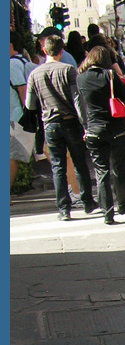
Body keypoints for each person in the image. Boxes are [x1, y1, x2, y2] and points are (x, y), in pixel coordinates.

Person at [24, 34, 96, 221]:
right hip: (70, 121)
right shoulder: (69, 70)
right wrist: (84, 123)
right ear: (61, 50)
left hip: (50, 124)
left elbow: (30, 105)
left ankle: (64, 209)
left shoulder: (34, 74)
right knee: (80, 163)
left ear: (44, 50)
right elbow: (77, 99)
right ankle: (87, 201)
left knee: (57, 166)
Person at [77, 45, 125, 225]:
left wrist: (85, 127)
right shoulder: (109, 76)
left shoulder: (80, 78)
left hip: (93, 130)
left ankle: (107, 213)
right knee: (118, 170)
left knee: (101, 172)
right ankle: (122, 204)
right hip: (115, 129)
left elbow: (80, 106)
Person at [10, 34, 36, 186]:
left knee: (11, 157)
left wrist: (27, 112)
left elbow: (22, 89)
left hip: (16, 118)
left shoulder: (11, 65)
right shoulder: (23, 60)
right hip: (22, 116)